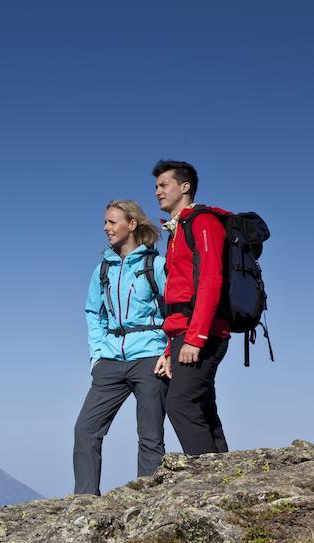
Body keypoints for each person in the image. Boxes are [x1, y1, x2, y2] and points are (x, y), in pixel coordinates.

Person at [73, 199, 168, 494]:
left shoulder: (157, 265)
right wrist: (97, 356)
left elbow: (176, 311)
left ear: (132, 224)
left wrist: (168, 353)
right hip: (110, 359)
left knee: (150, 436)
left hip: (150, 356)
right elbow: (93, 313)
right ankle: (85, 502)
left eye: (112, 222)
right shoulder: (104, 268)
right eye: (105, 222)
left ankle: (147, 503)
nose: (106, 228)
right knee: (86, 430)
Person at [152, 159, 229, 455]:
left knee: (181, 403)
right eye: (156, 187)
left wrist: (195, 339)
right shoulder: (176, 231)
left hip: (203, 333)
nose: (157, 192)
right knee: (203, 408)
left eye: (163, 185)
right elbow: (182, 294)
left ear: (185, 187)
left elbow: (211, 280)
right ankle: (226, 479)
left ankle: (205, 480)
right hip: (184, 333)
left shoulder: (203, 222)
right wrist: (171, 349)